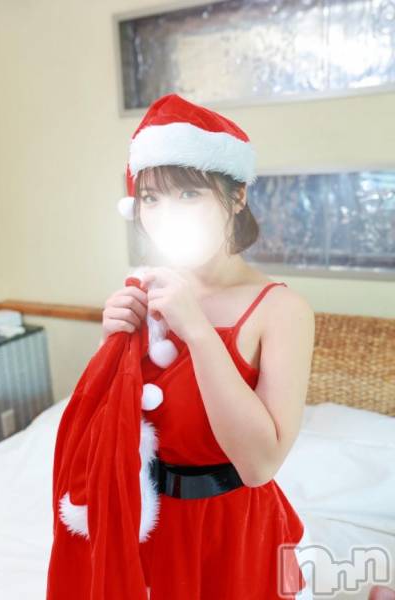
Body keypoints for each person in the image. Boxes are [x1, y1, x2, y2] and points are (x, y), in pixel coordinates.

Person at [102, 93, 316, 599]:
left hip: (233, 528)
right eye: (151, 198)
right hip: (150, 520)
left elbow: (260, 465)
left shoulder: (282, 310)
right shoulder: (148, 291)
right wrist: (112, 348)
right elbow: (120, 431)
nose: (165, 214)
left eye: (188, 193)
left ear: (237, 196)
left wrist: (198, 331)